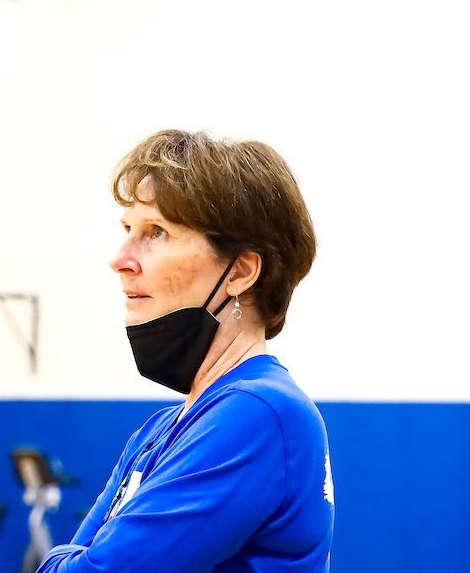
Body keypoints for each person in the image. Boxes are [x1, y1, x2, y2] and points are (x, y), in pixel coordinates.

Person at [37, 129, 334, 573]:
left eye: (156, 232)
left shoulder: (259, 414)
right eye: (127, 229)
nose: (120, 257)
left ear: (240, 271)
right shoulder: (162, 429)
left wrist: (64, 558)